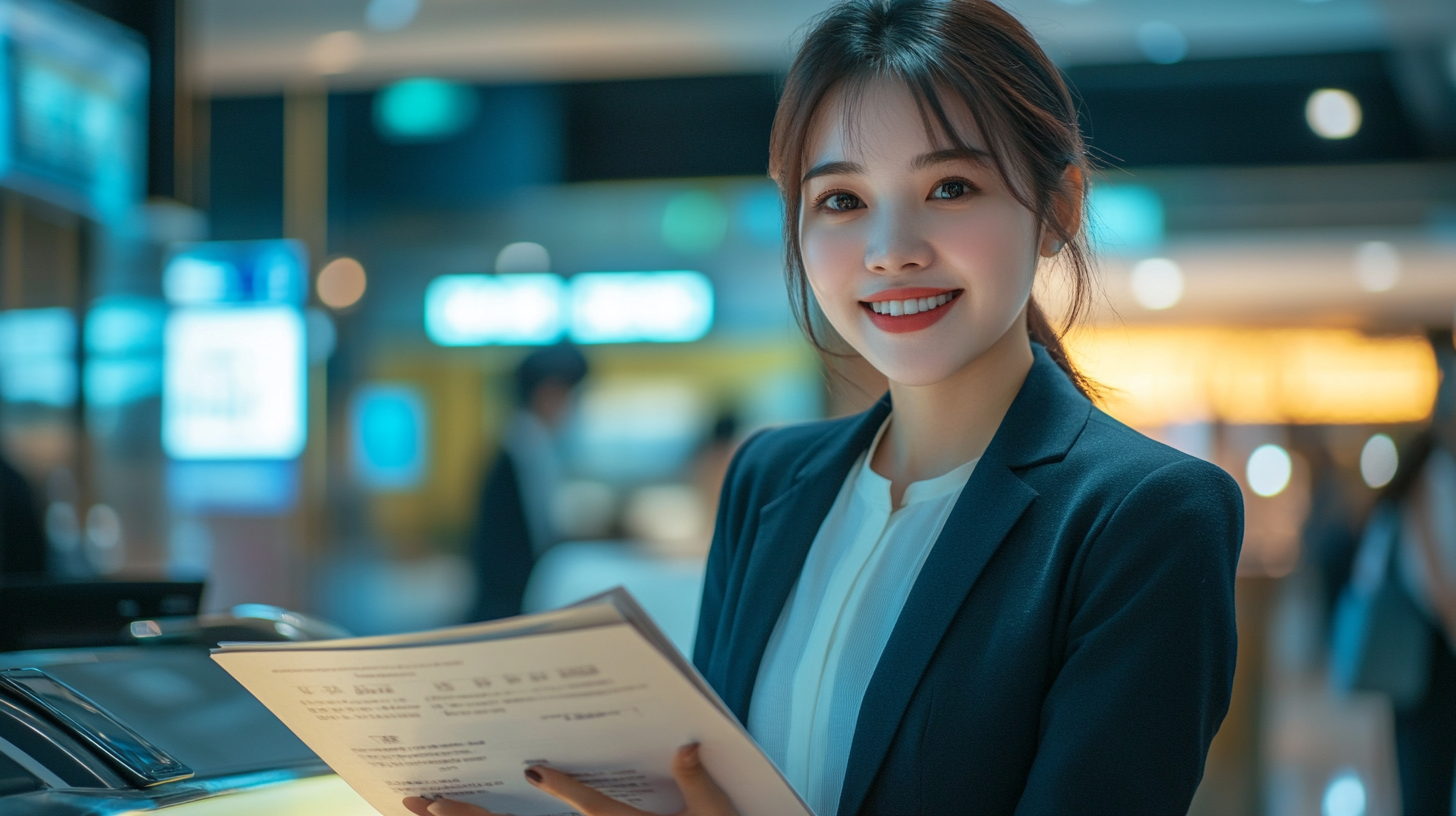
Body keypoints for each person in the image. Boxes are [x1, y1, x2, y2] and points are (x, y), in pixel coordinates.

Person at [407, 1, 1243, 814]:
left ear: (1057, 209)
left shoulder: (1148, 518)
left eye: (950, 187)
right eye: (842, 200)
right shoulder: (769, 481)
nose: (891, 252)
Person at [465, 342, 588, 622]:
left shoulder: (523, 442)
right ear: (549, 393)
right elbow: (537, 538)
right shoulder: (527, 449)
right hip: (507, 608)